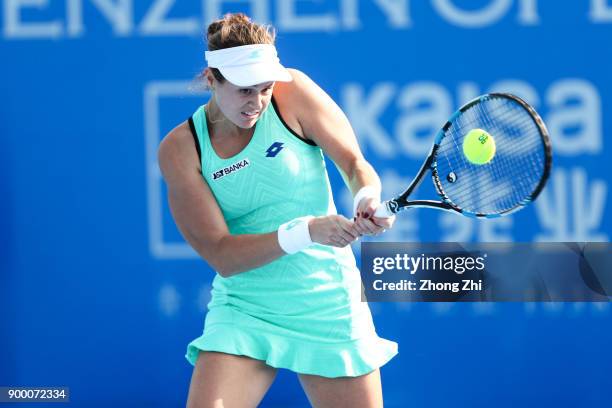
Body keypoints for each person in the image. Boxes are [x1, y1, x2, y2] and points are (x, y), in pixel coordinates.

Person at [158, 12, 398, 408]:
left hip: (326, 300)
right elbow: (222, 254)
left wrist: (365, 197)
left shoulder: (295, 94)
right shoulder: (181, 150)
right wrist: (304, 231)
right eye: (244, 90)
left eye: (266, 88)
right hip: (245, 308)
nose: (257, 102)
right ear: (211, 79)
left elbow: (355, 165)